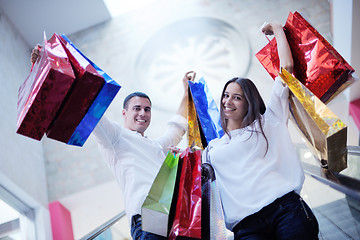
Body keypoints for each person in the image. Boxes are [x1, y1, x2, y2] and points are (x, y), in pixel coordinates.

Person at [30, 47, 194, 239]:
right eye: (137, 108)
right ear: (124, 113)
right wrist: (45, 64)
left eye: (147, 110)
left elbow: (178, 126)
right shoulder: (116, 136)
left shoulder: (158, 146)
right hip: (147, 220)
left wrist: (186, 90)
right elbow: (88, 107)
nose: (143, 113)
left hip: (174, 219)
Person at [203, 22, 319, 240]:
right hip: (246, 227)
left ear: (249, 103)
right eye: (226, 95)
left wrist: (276, 29)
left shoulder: (267, 122)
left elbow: (286, 70)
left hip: (286, 210)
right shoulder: (212, 149)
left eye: (237, 97)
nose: (228, 101)